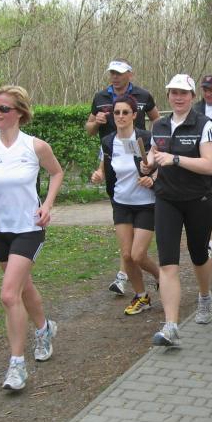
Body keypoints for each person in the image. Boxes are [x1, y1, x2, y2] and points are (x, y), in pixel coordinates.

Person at [0, 85, 64, 391]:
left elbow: (57, 173)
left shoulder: (36, 146)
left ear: (20, 113)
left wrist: (47, 205)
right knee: (23, 287)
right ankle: (44, 329)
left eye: (4, 108)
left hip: (28, 228)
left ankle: (17, 366)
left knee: (9, 294)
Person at [149, 74, 212, 347]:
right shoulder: (159, 124)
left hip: (197, 199)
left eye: (183, 93)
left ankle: (205, 296)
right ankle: (171, 326)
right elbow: (154, 153)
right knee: (167, 262)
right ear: (168, 95)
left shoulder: (204, 125)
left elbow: (210, 165)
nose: (178, 98)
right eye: (174, 93)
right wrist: (148, 163)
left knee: (198, 254)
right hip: (166, 199)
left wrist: (176, 159)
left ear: (192, 96)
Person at [85, 60, 159, 297]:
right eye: (116, 112)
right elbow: (103, 162)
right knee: (127, 256)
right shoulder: (108, 142)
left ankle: (160, 276)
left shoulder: (145, 138)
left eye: (125, 112)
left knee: (138, 255)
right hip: (121, 202)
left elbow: (159, 164)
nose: (120, 116)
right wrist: (99, 174)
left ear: (135, 115)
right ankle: (141, 296)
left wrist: (152, 177)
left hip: (145, 203)